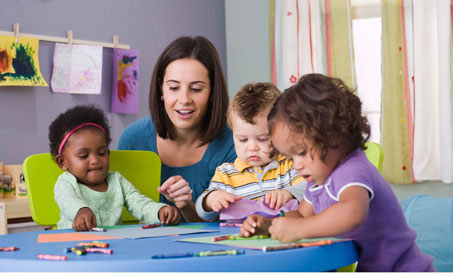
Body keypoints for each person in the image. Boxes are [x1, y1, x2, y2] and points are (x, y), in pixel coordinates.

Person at [239, 74, 435, 272]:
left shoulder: (353, 169)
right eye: (290, 158)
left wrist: (297, 229)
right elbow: (300, 215)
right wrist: (269, 225)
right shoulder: (318, 179)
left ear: (334, 133)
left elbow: (352, 212)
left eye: (302, 152)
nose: (297, 165)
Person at [118, 36, 237, 222]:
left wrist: (186, 206)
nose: (184, 99)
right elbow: (119, 216)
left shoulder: (233, 145)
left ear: (213, 92)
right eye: (174, 87)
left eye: (196, 89)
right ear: (161, 90)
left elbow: (227, 229)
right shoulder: (133, 139)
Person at [49, 105, 181, 231]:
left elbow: (139, 203)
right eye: (84, 156)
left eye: (101, 153)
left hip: (112, 245)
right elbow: (68, 201)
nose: (95, 160)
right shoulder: (66, 182)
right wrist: (80, 210)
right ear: (62, 162)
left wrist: (159, 211)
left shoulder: (117, 181)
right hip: (72, 243)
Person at [196, 82, 306, 221]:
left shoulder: (288, 164)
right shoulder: (226, 174)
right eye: (243, 139)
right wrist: (212, 199)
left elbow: (310, 189)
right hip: (239, 238)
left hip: (280, 235)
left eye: (262, 139)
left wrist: (289, 193)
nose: (252, 147)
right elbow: (201, 210)